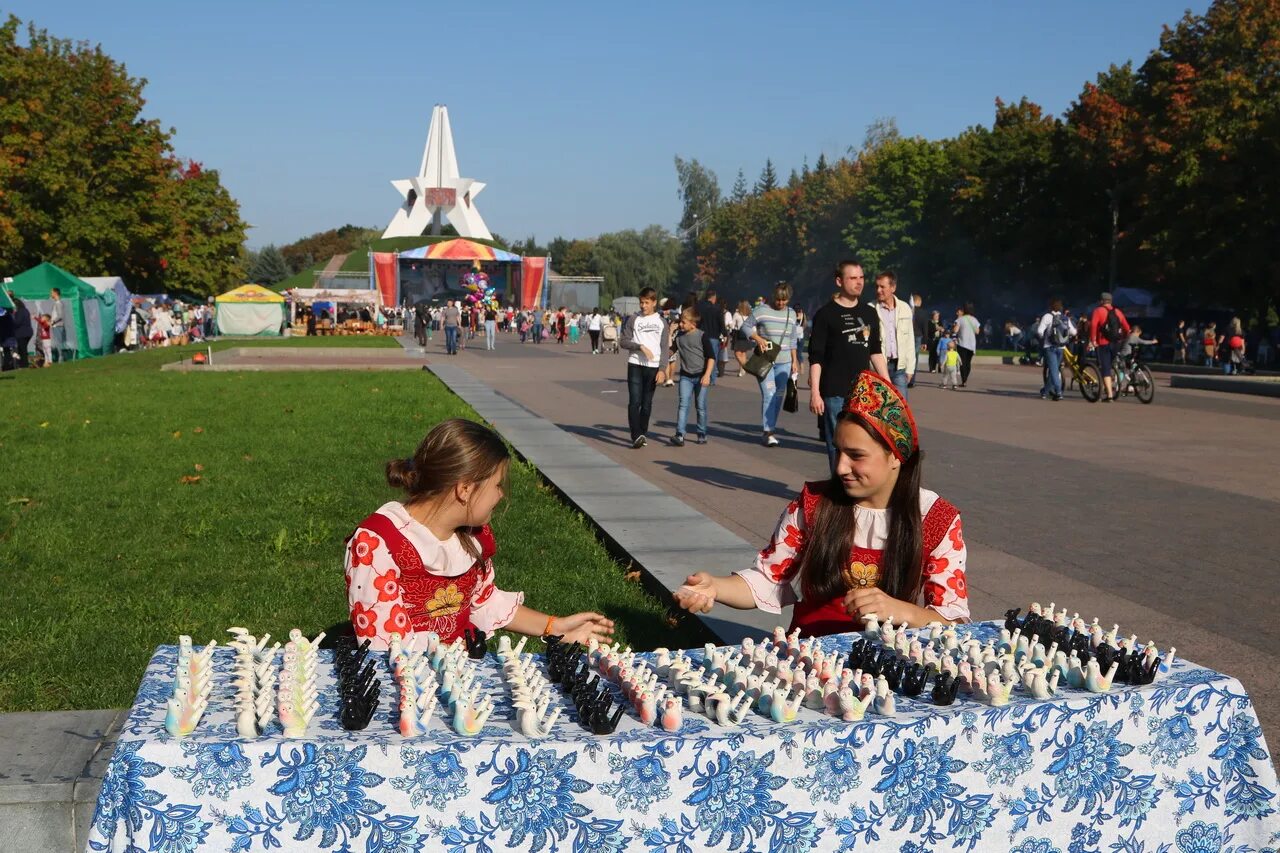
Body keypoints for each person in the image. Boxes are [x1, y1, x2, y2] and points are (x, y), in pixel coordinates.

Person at [673, 371, 969, 634]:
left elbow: (952, 622)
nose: (840, 467)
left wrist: (903, 611)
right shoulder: (814, 504)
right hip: (810, 657)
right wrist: (715, 586)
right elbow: (768, 578)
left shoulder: (936, 519)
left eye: (856, 455)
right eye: (838, 451)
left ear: (895, 456)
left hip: (886, 660)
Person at [344, 418, 615, 649]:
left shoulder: (472, 534)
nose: (501, 494)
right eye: (497, 485)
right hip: (407, 688)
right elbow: (382, 644)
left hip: (457, 678)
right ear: (465, 489)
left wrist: (556, 626)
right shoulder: (379, 543)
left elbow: (483, 602)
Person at [808, 260, 890, 472]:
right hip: (834, 392)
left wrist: (888, 384)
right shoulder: (825, 315)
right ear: (839, 281)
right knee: (838, 445)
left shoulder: (869, 313)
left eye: (861, 277)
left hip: (863, 393)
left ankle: (856, 489)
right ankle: (839, 493)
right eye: (852, 278)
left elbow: (875, 351)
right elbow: (816, 358)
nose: (859, 282)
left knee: (862, 444)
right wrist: (815, 393)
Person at [748, 282, 799, 447]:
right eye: (778, 300)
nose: (781, 303)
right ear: (773, 296)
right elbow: (745, 326)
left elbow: (792, 338)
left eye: (784, 300)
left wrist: (795, 360)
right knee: (769, 394)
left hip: (785, 362)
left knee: (778, 396)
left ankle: (770, 428)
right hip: (766, 361)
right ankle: (768, 432)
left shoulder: (791, 314)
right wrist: (758, 339)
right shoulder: (761, 310)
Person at [619, 287, 668, 448]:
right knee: (634, 401)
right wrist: (640, 346)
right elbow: (624, 341)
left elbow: (664, 348)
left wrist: (662, 369)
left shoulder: (661, 322)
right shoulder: (634, 319)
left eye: (646, 303)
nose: (643, 306)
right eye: (641, 302)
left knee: (646, 403)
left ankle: (642, 432)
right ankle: (636, 435)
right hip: (635, 364)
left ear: (654, 303)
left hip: (653, 367)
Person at [669, 307, 715, 446]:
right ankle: (680, 434)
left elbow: (711, 357)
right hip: (686, 376)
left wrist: (707, 375)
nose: (680, 324)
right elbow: (669, 353)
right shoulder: (679, 337)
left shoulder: (702, 336)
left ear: (693, 324)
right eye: (680, 322)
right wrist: (670, 332)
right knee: (683, 404)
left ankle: (701, 433)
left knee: (700, 406)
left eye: (683, 322)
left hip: (701, 376)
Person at [874, 270, 917, 399]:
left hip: (899, 367)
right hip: (878, 367)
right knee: (879, 408)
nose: (878, 290)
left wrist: (910, 369)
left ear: (893, 288)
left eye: (882, 287)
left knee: (901, 409)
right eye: (877, 286)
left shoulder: (905, 308)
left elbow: (910, 340)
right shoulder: (870, 309)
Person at [1088, 292, 1131, 402]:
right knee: (1110, 365)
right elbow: (1127, 328)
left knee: (1105, 368)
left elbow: (1093, 325)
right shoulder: (1118, 312)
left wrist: (1093, 340)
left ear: (1101, 301)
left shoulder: (1098, 311)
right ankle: (1106, 387)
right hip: (1116, 343)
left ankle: (1110, 395)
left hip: (1103, 343)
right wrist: (1123, 339)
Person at [1036, 298, 1076, 401]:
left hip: (1050, 347)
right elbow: (1073, 332)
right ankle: (1045, 391)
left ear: (1050, 306)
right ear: (1060, 307)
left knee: (1053, 370)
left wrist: (1042, 337)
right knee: (1054, 370)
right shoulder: (1065, 318)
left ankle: (1058, 392)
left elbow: (1040, 331)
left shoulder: (1047, 316)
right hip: (1061, 347)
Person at [696, 289, 725, 386]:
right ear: (713, 298)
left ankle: (701, 375)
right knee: (713, 357)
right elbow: (721, 323)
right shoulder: (717, 309)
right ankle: (711, 379)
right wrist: (724, 334)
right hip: (713, 336)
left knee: (701, 356)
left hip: (701, 334)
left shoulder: (699, 306)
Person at [952, 304, 980, 387]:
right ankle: (965, 379)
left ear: (964, 310)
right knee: (968, 362)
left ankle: (963, 380)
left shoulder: (960, 319)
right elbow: (977, 331)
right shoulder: (974, 320)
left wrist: (955, 327)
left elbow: (955, 330)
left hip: (962, 343)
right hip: (971, 345)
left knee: (962, 362)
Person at [12, 298, 32, 368]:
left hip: (22, 333)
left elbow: (17, 322)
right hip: (28, 332)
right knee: (23, 349)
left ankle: (24, 365)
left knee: (22, 350)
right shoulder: (25, 310)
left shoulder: (19, 312)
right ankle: (24, 364)